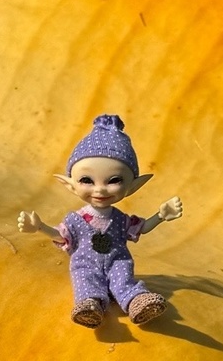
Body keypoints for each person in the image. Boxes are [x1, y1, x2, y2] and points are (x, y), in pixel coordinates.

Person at [18, 113, 183, 328]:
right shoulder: (75, 219)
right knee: (85, 281)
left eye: (114, 180)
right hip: (85, 264)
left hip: (118, 261)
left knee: (123, 280)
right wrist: (39, 227)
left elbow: (141, 228)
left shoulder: (121, 219)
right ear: (69, 185)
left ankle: (136, 301)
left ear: (133, 186)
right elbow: (62, 236)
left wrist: (160, 216)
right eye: (86, 180)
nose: (100, 190)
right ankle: (90, 306)